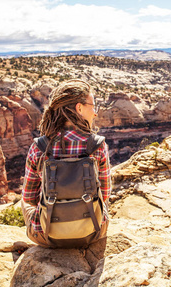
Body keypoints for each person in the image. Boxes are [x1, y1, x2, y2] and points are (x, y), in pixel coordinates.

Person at [21, 79, 111, 248]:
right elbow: (104, 194)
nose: (95, 113)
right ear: (79, 108)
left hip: (47, 236)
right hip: (93, 232)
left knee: (23, 201)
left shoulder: (39, 147)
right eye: (93, 106)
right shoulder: (98, 145)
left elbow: (29, 198)